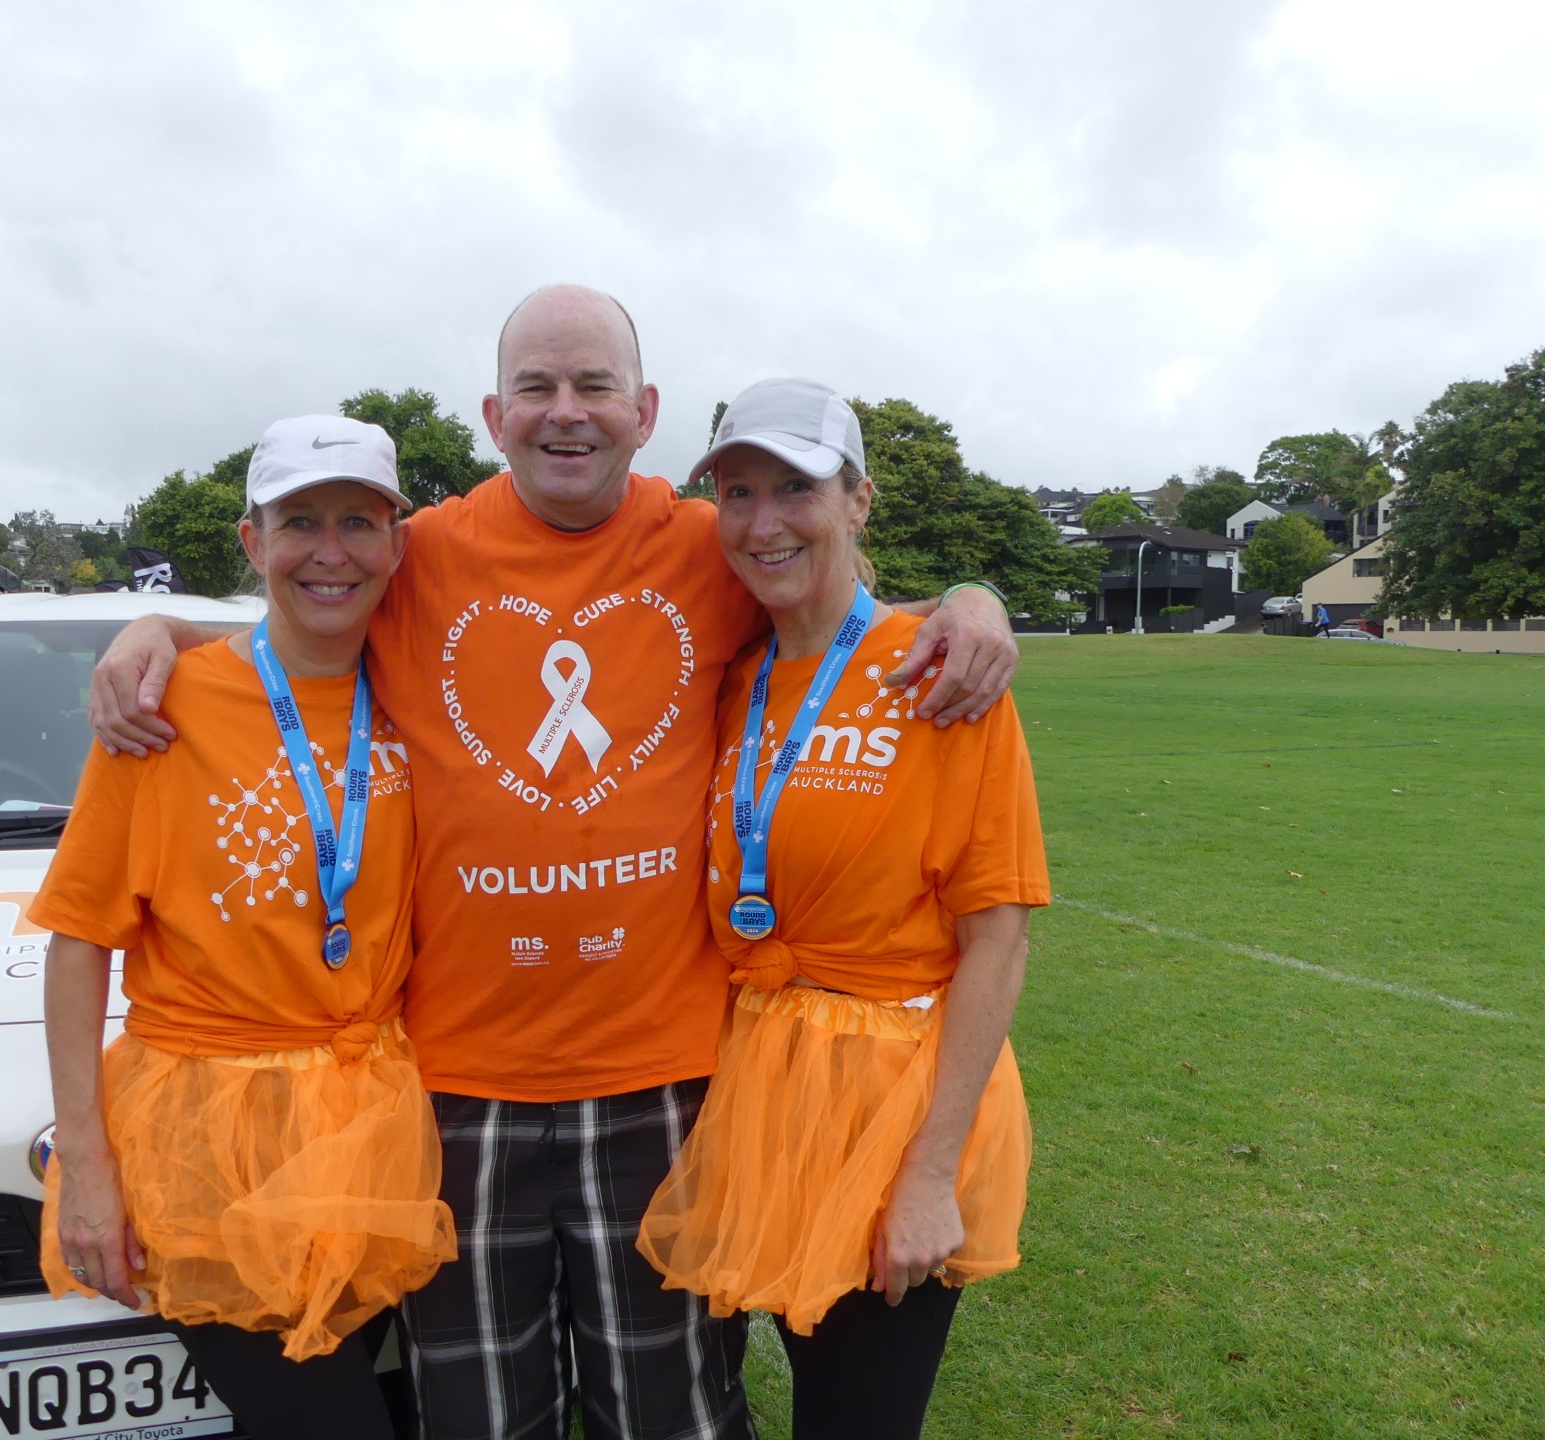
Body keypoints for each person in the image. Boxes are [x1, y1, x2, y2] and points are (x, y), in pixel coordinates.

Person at [87, 286, 1022, 1439]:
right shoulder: (418, 553)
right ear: (494, 411)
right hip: (460, 1085)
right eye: (537, 387)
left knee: (668, 1413)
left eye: (594, 387)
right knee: (483, 1415)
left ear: (645, 411)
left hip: (670, 1083)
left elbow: (832, 608)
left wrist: (975, 600)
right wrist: (151, 633)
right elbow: (296, 615)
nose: (564, 412)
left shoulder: (706, 542)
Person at [30, 415, 456, 1440]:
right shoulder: (162, 704)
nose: (330, 551)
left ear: (397, 542)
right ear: (251, 541)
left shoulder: (418, 690)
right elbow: (78, 939)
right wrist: (86, 1163)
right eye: (298, 521)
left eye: (359, 521)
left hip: (373, 1126)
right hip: (216, 1147)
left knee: (370, 1401)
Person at [636, 378, 1048, 1439]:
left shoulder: (940, 674)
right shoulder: (730, 677)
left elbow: (997, 939)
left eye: (795, 489)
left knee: (855, 1417)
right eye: (737, 493)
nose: (763, 522)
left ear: (858, 501)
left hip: (893, 1107)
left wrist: (927, 1176)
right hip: (756, 1085)